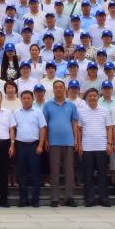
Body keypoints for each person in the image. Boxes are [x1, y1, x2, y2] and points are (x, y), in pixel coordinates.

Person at [41, 79, 80, 207]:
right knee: (54, 171)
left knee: (69, 171)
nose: (58, 89)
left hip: (69, 141)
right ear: (53, 89)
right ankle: (54, 198)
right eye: (56, 87)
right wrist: (46, 139)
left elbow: (74, 123)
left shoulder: (71, 105)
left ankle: (69, 197)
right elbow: (45, 124)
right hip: (53, 142)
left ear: (65, 89)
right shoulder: (47, 105)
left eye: (60, 87)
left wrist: (76, 140)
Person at [78, 87, 113, 207]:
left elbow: (109, 128)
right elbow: (79, 129)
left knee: (102, 174)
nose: (92, 98)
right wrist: (79, 145)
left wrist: (109, 143)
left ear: (98, 97)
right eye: (90, 96)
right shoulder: (81, 111)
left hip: (101, 146)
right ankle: (89, 199)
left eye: (94, 95)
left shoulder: (104, 110)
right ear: (86, 98)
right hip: (87, 147)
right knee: (88, 175)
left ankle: (104, 198)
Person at [12, 89, 47, 208]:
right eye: (24, 98)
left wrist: (40, 145)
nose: (26, 100)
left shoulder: (38, 112)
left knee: (35, 173)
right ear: (21, 100)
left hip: (34, 146)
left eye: (29, 98)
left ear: (33, 99)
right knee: (21, 173)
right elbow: (13, 129)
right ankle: (23, 199)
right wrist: (13, 145)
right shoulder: (16, 112)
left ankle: (35, 200)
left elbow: (43, 129)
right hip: (20, 145)